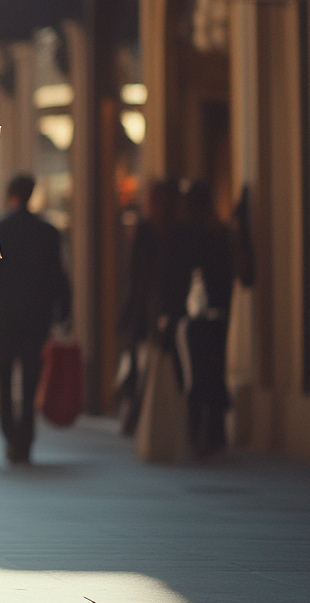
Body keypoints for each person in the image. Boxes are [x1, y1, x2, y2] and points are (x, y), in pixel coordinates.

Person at [0, 174, 71, 465]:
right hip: (37, 318)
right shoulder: (48, 232)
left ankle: (10, 436)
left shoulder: (0, 229)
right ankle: (25, 440)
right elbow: (58, 276)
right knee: (30, 382)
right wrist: (64, 312)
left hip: (5, 318)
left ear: (10, 195)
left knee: (4, 380)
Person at [171, 180, 234, 457]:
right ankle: (215, 431)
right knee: (214, 368)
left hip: (193, 313)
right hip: (218, 312)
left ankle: (196, 432)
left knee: (194, 373)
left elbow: (177, 275)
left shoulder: (185, 233)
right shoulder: (221, 232)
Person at [117, 179, 180, 435]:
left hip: (145, 309)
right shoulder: (177, 231)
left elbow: (135, 277)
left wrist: (129, 313)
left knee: (140, 367)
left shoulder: (145, 230)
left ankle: (138, 418)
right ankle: (157, 420)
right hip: (168, 309)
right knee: (163, 368)